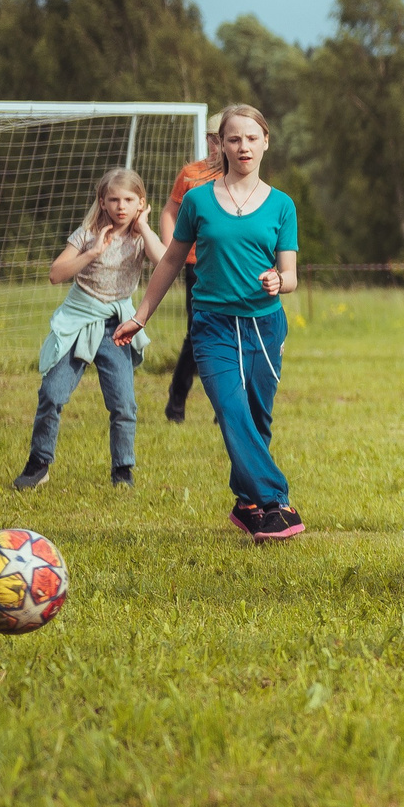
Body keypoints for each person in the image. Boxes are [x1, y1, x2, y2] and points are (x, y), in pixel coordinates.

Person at [113, 105, 306, 542]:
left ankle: (247, 503)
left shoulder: (282, 205)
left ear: (266, 142)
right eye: (234, 139)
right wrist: (140, 317)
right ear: (220, 144)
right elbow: (170, 261)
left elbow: (291, 275)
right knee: (232, 411)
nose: (243, 147)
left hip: (264, 327)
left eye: (252, 138)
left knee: (256, 418)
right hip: (213, 326)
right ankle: (276, 502)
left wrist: (280, 281)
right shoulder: (198, 200)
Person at [15, 168, 164, 491]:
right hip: (79, 321)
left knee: (123, 404)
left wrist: (144, 227)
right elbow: (56, 274)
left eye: (129, 200)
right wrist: (93, 252)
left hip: (117, 327)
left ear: (141, 203)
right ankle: (39, 464)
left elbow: (165, 262)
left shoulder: (141, 237)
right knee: (52, 393)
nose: (121, 206)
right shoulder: (86, 234)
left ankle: (122, 469)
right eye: (114, 199)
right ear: (102, 201)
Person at [158, 115, 226, 423]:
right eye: (214, 139)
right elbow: (169, 212)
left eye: (224, 139)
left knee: (232, 332)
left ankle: (225, 408)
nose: (218, 146)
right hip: (197, 264)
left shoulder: (241, 174)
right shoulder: (191, 174)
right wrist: (170, 251)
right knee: (198, 331)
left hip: (230, 263)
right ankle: (177, 401)